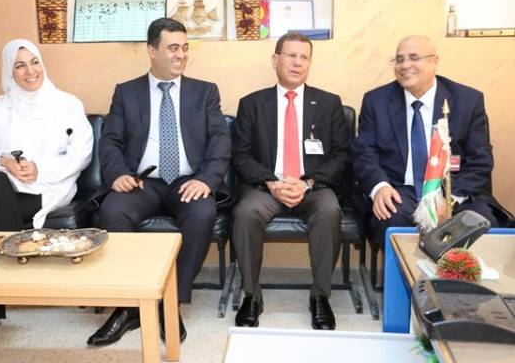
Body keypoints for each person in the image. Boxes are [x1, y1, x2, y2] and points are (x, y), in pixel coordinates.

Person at [87, 17, 231, 346]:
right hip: (142, 182)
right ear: (152, 51)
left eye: (185, 48)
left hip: (188, 181)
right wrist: (119, 174)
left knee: (203, 212)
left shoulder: (205, 92)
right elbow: (110, 141)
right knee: (112, 211)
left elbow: (220, 141)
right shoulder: (126, 92)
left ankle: (170, 302)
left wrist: (206, 180)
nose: (181, 55)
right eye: (172, 48)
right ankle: (130, 305)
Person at [0, 39, 93, 345]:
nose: (30, 71)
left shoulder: (68, 104)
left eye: (34, 62)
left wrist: (39, 169)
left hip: (49, 188)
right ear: (10, 71)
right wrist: (3, 161)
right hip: (4, 189)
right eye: (20, 65)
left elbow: (82, 154)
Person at [232, 32, 350, 330]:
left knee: (329, 210)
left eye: (304, 57)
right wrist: (272, 183)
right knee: (245, 213)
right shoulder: (252, 104)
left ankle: (320, 296)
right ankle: (252, 296)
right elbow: (241, 155)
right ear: (275, 60)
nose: (297, 63)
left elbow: (342, 155)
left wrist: (308, 183)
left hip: (313, 187)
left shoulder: (328, 103)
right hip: (267, 187)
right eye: (291, 55)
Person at [352, 35, 512, 248]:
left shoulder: (467, 100)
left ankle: (458, 271)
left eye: (414, 58)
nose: (405, 65)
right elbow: (364, 153)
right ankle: (411, 271)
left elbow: (480, 161)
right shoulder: (376, 101)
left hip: (455, 189)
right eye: (399, 59)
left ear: (433, 61)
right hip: (401, 190)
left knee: (481, 222)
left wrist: (449, 200)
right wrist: (379, 187)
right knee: (391, 216)